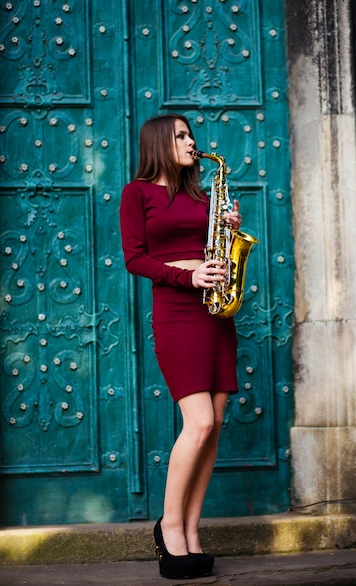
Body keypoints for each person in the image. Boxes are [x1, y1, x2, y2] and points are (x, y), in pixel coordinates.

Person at [120, 114, 242, 580]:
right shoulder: (138, 193)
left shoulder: (205, 195)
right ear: (158, 143)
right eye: (181, 136)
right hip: (175, 312)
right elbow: (135, 258)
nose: (192, 142)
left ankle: (191, 531)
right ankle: (168, 525)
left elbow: (216, 250)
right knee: (200, 422)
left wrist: (229, 230)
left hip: (215, 316)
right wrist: (186, 274)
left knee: (214, 427)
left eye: (191, 135)